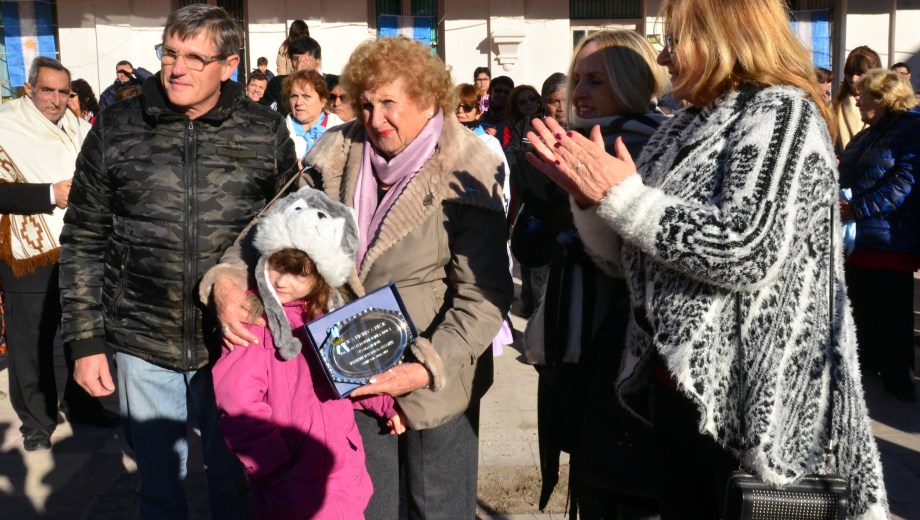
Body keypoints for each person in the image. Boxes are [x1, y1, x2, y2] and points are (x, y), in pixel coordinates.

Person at [525, 0, 888, 517]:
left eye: (675, 41)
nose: (664, 57)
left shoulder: (780, 114)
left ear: (723, 36)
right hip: (677, 399)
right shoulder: (682, 124)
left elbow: (746, 249)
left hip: (750, 411)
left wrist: (622, 197)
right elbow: (626, 263)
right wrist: (591, 201)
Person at [204, 35, 513, 519]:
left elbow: (484, 294)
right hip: (349, 369)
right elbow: (271, 226)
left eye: (389, 103)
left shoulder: (466, 166)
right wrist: (226, 278)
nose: (375, 118)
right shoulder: (336, 151)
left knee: (439, 509)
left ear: (428, 99)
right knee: (370, 506)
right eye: (366, 104)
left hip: (437, 375)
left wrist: (427, 367)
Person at [58, 5, 298, 518]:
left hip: (234, 342)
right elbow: (83, 237)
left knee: (237, 483)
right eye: (169, 53)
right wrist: (85, 340)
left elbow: (288, 235)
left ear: (229, 66)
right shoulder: (117, 127)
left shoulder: (264, 130)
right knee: (159, 489)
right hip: (142, 339)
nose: (176, 68)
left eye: (194, 57)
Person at [521, 30, 668, 519]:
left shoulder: (647, 144)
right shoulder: (577, 141)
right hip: (585, 344)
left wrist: (591, 199)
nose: (578, 92)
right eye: (577, 78)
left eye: (595, 81)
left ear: (631, 82)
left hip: (625, 352)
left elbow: (627, 261)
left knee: (618, 489)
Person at [213, 186, 404, 519]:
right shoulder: (255, 324)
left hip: (341, 464)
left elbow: (354, 373)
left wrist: (386, 404)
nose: (282, 281)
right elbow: (238, 403)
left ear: (320, 277)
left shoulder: (329, 318)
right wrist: (274, 464)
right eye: (277, 266)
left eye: (298, 273)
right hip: (291, 478)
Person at [0, 57, 118, 452]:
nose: (55, 99)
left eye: (63, 92)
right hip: (29, 251)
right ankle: (37, 421)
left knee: (81, 331)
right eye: (46, 90)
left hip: (80, 245)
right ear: (28, 88)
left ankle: (83, 404)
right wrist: (50, 193)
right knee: (31, 342)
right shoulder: (5, 125)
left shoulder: (76, 125)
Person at [839, 68, 920, 403]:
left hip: (890, 240)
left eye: (863, 95)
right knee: (863, 308)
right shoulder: (867, 133)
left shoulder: (911, 129)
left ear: (883, 98)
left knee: (891, 313)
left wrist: (858, 208)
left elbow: (905, 183)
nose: (857, 100)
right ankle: (871, 369)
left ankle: (899, 379)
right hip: (859, 238)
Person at [283, 69, 344, 165]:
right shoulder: (279, 131)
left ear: (323, 100)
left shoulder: (340, 130)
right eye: (294, 96)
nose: (299, 102)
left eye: (306, 96)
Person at [833, 45, 881, 155]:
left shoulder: (889, 108)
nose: (853, 79)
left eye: (860, 74)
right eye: (849, 73)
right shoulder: (833, 106)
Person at [261, 36, 323, 115]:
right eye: (296, 59)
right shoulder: (278, 84)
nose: (300, 64)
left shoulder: (330, 84)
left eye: (306, 60)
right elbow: (265, 113)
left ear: (318, 61)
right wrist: (296, 81)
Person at [479, 75, 514, 139]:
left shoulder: (514, 122)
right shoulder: (482, 120)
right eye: (498, 90)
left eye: (507, 92)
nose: (501, 95)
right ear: (490, 91)